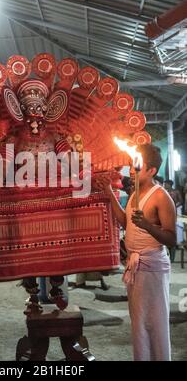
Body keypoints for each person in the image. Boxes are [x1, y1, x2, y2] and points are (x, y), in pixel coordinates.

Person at [95, 144, 176, 361]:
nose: (132, 171)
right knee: (139, 322)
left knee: (155, 322)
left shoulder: (161, 197)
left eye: (137, 167)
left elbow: (172, 239)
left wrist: (148, 226)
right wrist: (109, 192)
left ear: (152, 171)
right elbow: (125, 221)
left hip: (152, 267)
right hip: (135, 266)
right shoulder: (135, 194)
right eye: (132, 166)